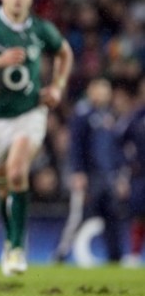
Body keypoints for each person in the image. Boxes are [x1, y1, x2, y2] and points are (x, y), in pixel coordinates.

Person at [0, 0, 73, 276]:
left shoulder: (40, 29)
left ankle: (16, 247)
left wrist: (57, 86)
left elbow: (64, 52)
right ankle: (10, 238)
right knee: (3, 189)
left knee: (17, 171)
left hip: (30, 113)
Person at [53, 77, 123, 263]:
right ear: (91, 91)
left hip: (107, 175)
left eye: (105, 90)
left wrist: (119, 174)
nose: (103, 93)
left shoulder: (109, 115)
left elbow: (115, 149)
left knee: (113, 217)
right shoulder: (82, 113)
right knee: (78, 217)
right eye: (99, 89)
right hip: (88, 176)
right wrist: (77, 172)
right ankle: (61, 253)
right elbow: (75, 145)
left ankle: (115, 257)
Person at [116, 77, 145, 267]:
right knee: (139, 214)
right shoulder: (135, 117)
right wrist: (129, 163)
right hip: (141, 175)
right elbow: (118, 141)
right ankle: (134, 255)